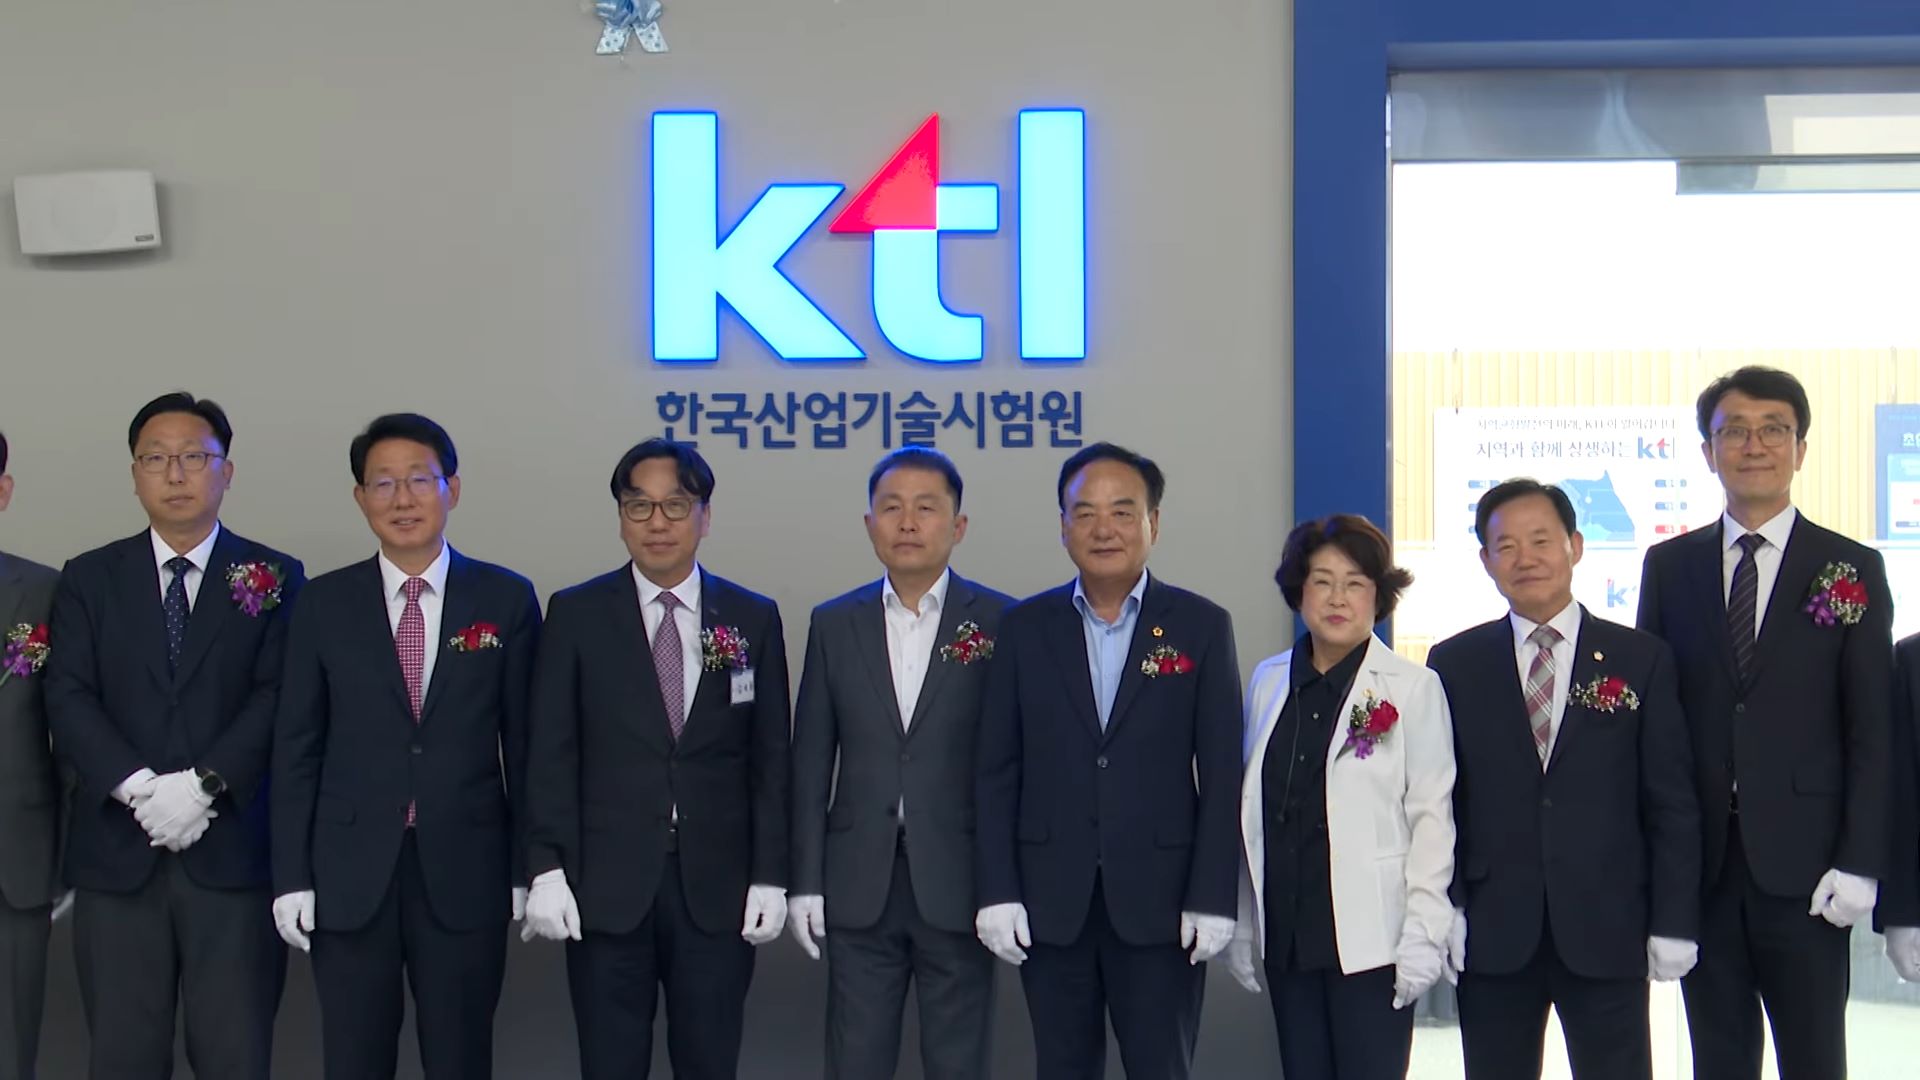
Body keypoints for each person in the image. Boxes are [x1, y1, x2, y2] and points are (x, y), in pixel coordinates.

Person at [1638, 367, 1891, 1080]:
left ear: (1800, 449)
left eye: (1774, 429)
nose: (1754, 445)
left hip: (1810, 873)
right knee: (1719, 1060)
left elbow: (1871, 729)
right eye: (1735, 431)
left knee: (1815, 1059)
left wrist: (1860, 861)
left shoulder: (1850, 567)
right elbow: (1655, 729)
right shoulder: (1669, 567)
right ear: (1708, 451)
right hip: (1704, 869)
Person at [270, 413, 541, 1078]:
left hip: (467, 867)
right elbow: (297, 747)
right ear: (360, 497)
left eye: (420, 479)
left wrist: (528, 867)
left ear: (452, 489)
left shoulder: (505, 598)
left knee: (460, 1057)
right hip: (350, 871)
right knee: (355, 1058)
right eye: (383, 483)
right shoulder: (323, 603)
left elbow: (529, 749)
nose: (402, 499)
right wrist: (292, 876)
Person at [44, 392, 305, 1078]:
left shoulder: (276, 575)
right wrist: (140, 790)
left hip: (235, 857)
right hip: (117, 858)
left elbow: (280, 696)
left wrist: (201, 787)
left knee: (234, 1054)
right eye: (156, 458)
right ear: (135, 474)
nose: (175, 473)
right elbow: (67, 694)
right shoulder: (89, 577)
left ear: (227, 471)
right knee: (123, 1056)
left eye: (194, 456)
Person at [522, 438, 792, 1079]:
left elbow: (769, 758)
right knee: (610, 1062)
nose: (657, 522)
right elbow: (550, 751)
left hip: (716, 889)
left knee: (709, 1061)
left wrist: (770, 874)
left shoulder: (751, 616)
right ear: (621, 517)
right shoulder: (576, 613)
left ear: (705, 516)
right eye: (638, 506)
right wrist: (546, 867)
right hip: (605, 887)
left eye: (676, 505)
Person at [974, 442, 1241, 1079]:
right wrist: (998, 890)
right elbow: (996, 769)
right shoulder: (1024, 627)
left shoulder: (1201, 626)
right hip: (1050, 901)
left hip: (1162, 903)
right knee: (1062, 1067)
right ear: (1063, 525)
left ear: (1154, 523)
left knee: (1160, 1066)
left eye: (1122, 512)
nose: (1104, 529)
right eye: (1085, 512)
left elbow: (1223, 772)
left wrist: (1213, 896)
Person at [1431, 479, 1699, 1080]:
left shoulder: (1640, 659)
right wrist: (1448, 905)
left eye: (1541, 540)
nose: (1525, 558)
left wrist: (1673, 920)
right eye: (1506, 546)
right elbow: (1444, 801)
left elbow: (1671, 803)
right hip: (1495, 929)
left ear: (1575, 546)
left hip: (1609, 926)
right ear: (1485, 561)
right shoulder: (1453, 664)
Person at [788, 447, 1012, 1079]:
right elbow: (810, 763)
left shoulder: (1002, 621)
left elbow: (1013, 765)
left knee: (958, 1063)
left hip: (960, 881)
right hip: (859, 881)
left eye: (926, 508)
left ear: (958, 526)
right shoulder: (835, 623)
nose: (908, 523)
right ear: (870, 525)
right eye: (891, 508)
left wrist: (1006, 885)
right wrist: (804, 880)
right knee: (855, 1060)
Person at [1224, 514, 1453, 1080]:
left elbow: (1432, 818)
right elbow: (1251, 812)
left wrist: (1424, 934)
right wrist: (1244, 920)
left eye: (1355, 583)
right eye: (1321, 581)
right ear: (1298, 591)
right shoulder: (1269, 680)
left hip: (1373, 939)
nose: (1337, 598)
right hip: (1288, 934)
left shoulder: (1412, 687)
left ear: (1379, 594)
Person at [0, 430, 62, 1079]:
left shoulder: (46, 592)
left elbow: (70, 732)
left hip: (14, 862)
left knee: (10, 1049)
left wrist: (64, 860)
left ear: (3, 492)